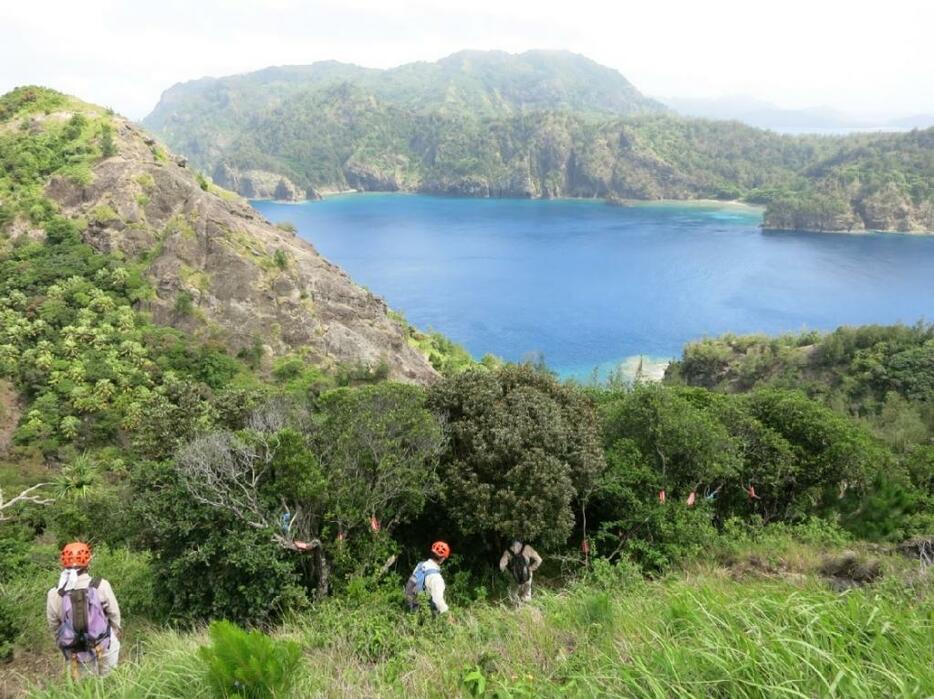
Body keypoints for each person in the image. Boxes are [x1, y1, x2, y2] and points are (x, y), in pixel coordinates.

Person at [46, 542, 122, 680]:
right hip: (103, 644)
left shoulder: (54, 593)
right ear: (88, 562)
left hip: (76, 652)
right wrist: (113, 636)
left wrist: (65, 647)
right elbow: (114, 615)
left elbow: (54, 626)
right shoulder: (101, 585)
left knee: (87, 690)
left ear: (63, 564)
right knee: (110, 683)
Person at [404, 540, 450, 614]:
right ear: (443, 558)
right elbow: (438, 600)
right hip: (423, 611)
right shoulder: (436, 577)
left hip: (410, 604)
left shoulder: (421, 565)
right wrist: (447, 614)